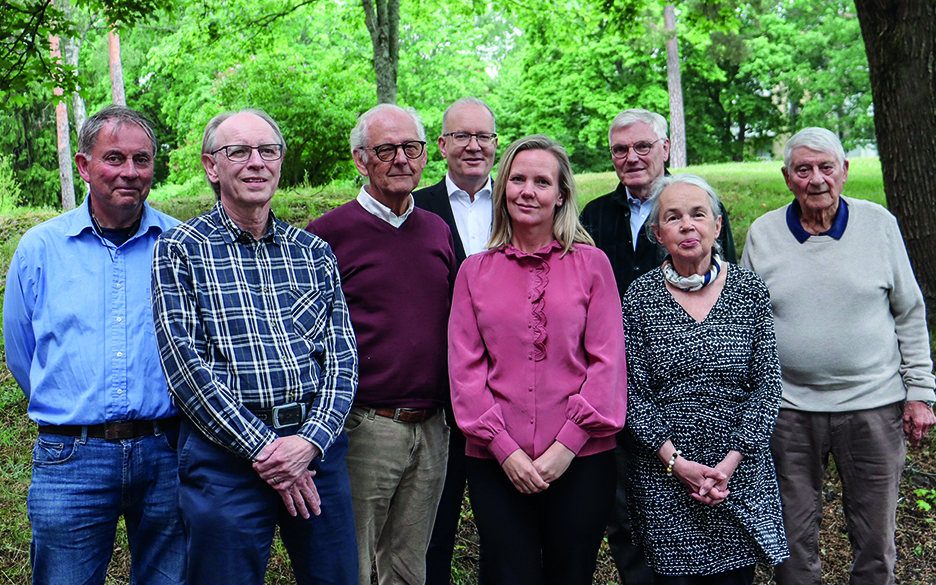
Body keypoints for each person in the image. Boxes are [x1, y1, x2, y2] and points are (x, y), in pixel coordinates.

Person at [151, 109, 359, 585]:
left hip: (316, 455)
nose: (256, 163)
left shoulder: (314, 252)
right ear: (211, 166)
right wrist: (268, 450)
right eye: (238, 151)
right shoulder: (180, 249)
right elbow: (185, 368)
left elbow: (342, 360)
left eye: (268, 151)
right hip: (226, 464)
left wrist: (307, 443)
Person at [741, 127, 936, 585]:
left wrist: (921, 393)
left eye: (826, 167)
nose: (816, 179)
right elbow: (744, 322)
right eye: (803, 169)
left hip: (873, 407)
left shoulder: (879, 224)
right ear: (787, 177)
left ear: (844, 172)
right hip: (788, 411)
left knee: (874, 539)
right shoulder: (764, 233)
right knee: (789, 539)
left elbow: (909, 312)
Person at [3, 105, 185, 584]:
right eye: (115, 158)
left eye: (141, 160)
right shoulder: (40, 249)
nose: (130, 172)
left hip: (167, 453)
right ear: (84, 166)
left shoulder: (180, 245)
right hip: (71, 460)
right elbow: (23, 354)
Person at [448, 135, 626, 585]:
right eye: (518, 179)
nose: (528, 190)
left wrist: (564, 447)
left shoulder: (593, 264)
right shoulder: (474, 271)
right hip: (496, 462)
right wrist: (505, 451)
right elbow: (465, 370)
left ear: (561, 195)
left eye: (542, 181)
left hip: (582, 458)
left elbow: (607, 363)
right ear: (503, 187)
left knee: (572, 575)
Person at [578, 108, 738, 584]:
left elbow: (724, 290)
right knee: (627, 515)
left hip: (691, 392)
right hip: (616, 387)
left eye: (643, 146)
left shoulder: (696, 204)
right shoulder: (595, 216)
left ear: (665, 149)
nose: (632, 157)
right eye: (621, 150)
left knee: (697, 510)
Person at [307, 103, 455, 585]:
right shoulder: (327, 235)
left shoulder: (436, 228)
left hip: (432, 427)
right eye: (385, 149)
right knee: (353, 562)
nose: (401, 159)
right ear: (360, 159)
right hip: (364, 426)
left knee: (410, 564)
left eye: (411, 147)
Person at [623, 173, 788, 584]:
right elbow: (631, 392)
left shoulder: (749, 289)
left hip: (738, 475)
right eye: (673, 217)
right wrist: (676, 462)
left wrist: (729, 464)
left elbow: (767, 385)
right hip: (666, 475)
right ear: (658, 233)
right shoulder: (640, 296)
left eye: (698, 214)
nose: (687, 225)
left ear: (717, 225)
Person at [413, 96, 497, 584]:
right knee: (433, 529)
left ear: (495, 144)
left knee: (504, 529)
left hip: (508, 392)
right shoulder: (417, 208)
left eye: (482, 136)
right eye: (461, 136)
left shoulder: (520, 200)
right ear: (442, 145)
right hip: (437, 395)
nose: (473, 146)